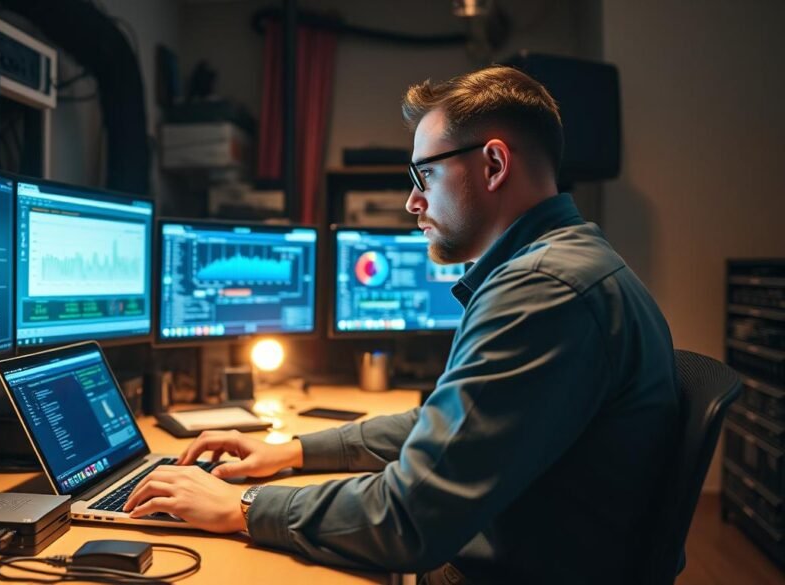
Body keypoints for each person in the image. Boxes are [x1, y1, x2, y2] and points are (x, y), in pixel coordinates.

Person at [123, 65, 678, 584]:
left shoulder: (542, 290)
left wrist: (240, 507)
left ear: (494, 165)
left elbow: (408, 520)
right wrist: (291, 451)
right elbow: (445, 424)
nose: (413, 201)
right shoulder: (565, 262)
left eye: (426, 174)